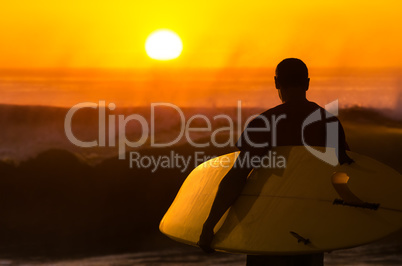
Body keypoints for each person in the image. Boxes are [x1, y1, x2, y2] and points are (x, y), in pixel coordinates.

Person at [197, 58, 353, 265]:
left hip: (267, 225)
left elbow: (237, 177)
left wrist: (210, 225)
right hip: (309, 227)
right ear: (307, 83)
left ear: (276, 83)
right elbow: (341, 176)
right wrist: (335, 228)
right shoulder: (329, 122)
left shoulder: (264, 123)